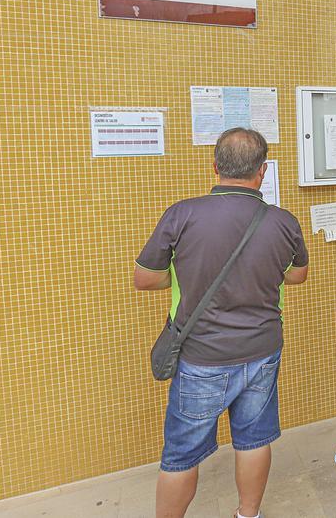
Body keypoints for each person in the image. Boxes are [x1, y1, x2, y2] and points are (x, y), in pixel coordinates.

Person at [133, 127, 309, 518]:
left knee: (181, 454)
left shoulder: (183, 213)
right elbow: (297, 275)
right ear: (262, 171)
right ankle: (248, 515)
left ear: (214, 167)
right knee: (254, 439)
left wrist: (184, 277)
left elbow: (144, 278)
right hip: (262, 350)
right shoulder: (283, 221)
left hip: (201, 357)